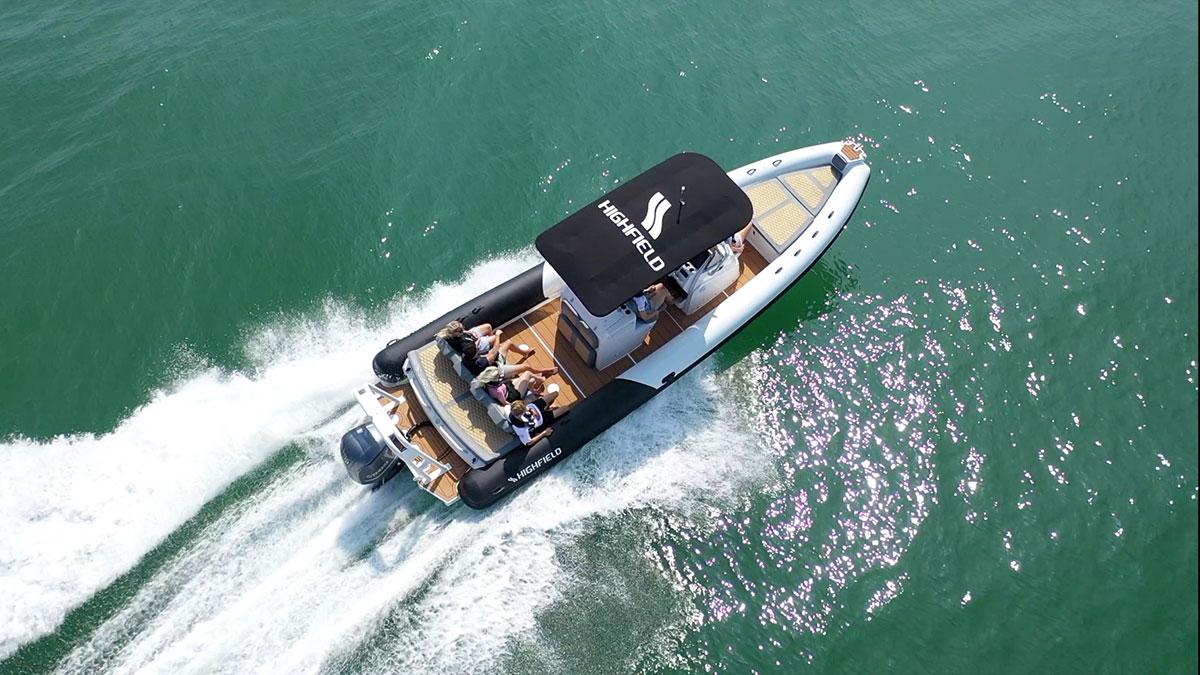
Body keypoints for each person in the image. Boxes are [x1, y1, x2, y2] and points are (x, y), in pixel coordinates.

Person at [476, 365, 558, 404]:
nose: (499, 376)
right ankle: (541, 377)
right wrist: (519, 403)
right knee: (528, 374)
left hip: (508, 388)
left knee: (530, 380)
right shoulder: (498, 391)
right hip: (513, 395)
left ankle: (536, 384)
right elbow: (505, 403)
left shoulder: (487, 384)